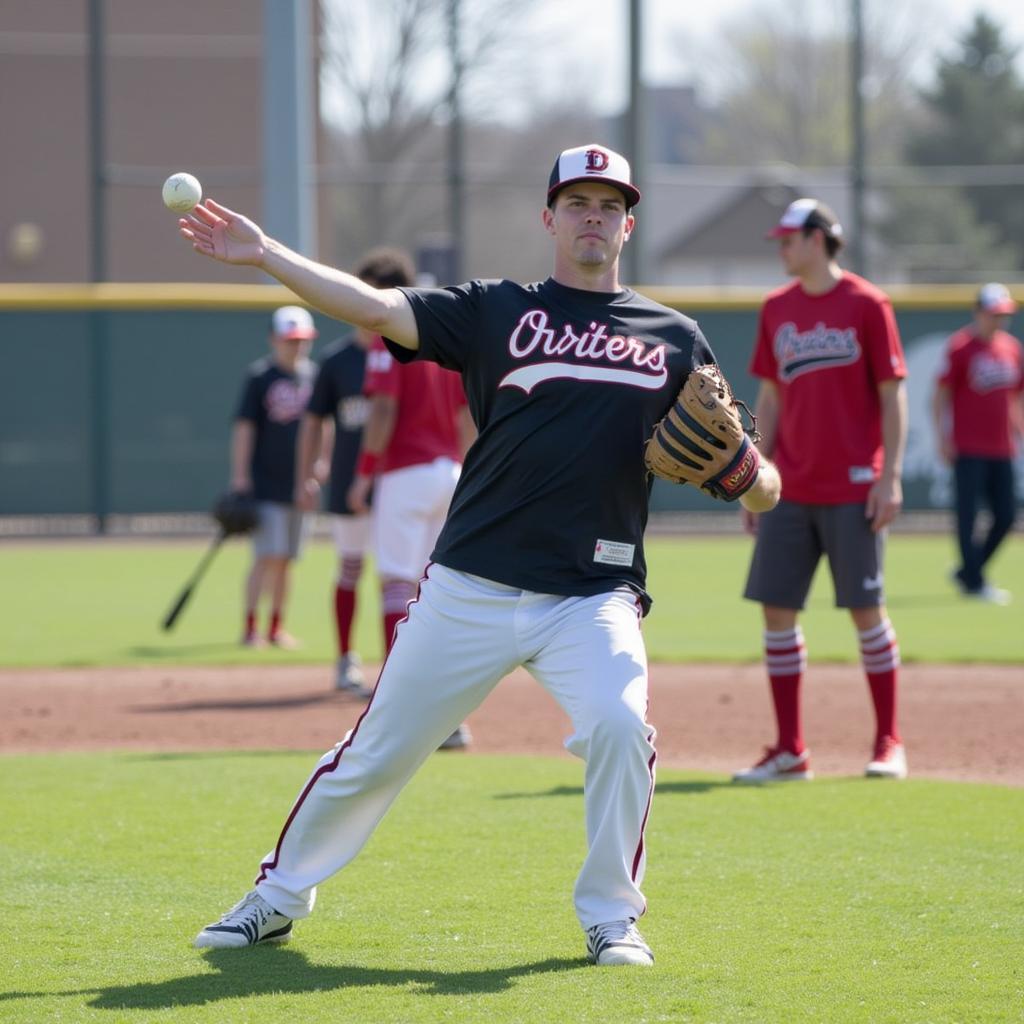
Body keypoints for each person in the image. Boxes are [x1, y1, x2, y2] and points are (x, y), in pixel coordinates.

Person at [178, 143, 781, 967]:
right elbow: (376, 307)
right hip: (472, 582)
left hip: (592, 591)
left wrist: (752, 475)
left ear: (629, 223)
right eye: (578, 202)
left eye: (609, 204)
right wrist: (268, 255)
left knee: (619, 727)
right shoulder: (497, 309)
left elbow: (756, 479)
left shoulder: (674, 337)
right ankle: (276, 898)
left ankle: (611, 915)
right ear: (549, 218)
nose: (593, 216)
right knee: (376, 752)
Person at [734, 198, 910, 783]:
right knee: (776, 612)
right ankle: (790, 750)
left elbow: (892, 395)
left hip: (854, 485)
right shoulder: (777, 308)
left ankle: (888, 741)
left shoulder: (867, 303)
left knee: (866, 611)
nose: (781, 249)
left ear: (817, 239)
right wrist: (756, 472)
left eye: (788, 239)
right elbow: (770, 398)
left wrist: (889, 477)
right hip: (791, 487)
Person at [347, 257, 476, 748]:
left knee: (396, 587)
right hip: (450, 471)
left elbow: (382, 409)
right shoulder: (445, 339)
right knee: (434, 595)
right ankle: (449, 717)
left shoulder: (387, 338)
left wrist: (363, 474)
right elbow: (467, 412)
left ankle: (395, 702)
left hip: (405, 473)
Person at [295, 250, 417, 695]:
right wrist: (306, 476)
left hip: (401, 482)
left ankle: (398, 670)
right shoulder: (337, 360)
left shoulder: (412, 353)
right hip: (351, 478)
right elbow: (314, 421)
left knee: (403, 580)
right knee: (350, 568)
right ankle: (347, 658)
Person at [231, 306, 318, 648]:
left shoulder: (314, 376)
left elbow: (324, 426)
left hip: (300, 487)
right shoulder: (260, 377)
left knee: (287, 561)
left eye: (301, 341)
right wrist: (240, 476)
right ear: (274, 340)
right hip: (265, 482)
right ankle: (251, 628)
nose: (296, 347)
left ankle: (276, 627)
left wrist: (319, 465)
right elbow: (244, 428)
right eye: (289, 341)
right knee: (267, 557)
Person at [932, 282, 1023, 605]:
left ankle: (968, 572)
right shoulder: (961, 347)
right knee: (967, 517)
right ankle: (974, 583)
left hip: (1002, 448)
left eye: (1003, 315)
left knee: (1006, 516)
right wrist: (943, 437)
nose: (998, 320)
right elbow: (941, 395)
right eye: (993, 314)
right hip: (968, 446)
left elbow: (1015, 396)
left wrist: (1019, 428)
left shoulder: (1012, 348)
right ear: (978, 313)